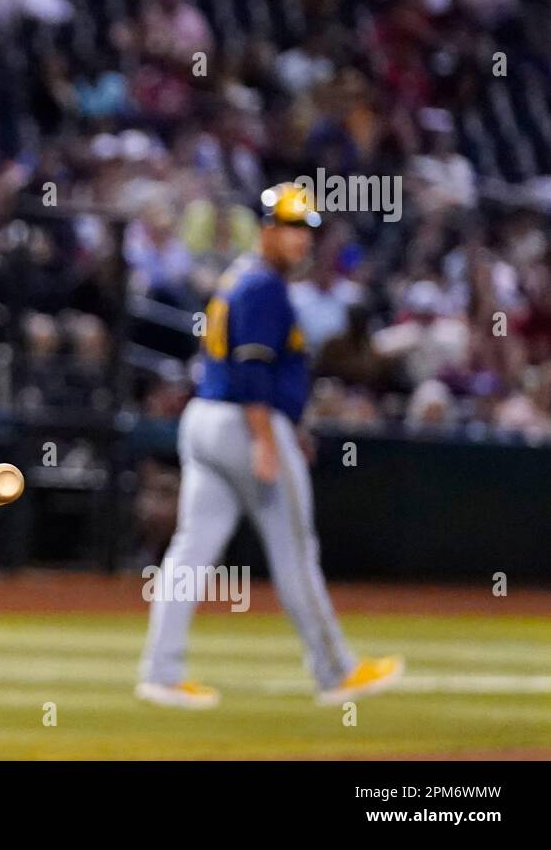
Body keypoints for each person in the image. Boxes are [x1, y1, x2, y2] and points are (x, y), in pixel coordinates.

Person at [135, 183, 404, 708]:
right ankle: (335, 671)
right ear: (266, 229)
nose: (301, 240)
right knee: (296, 553)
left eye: (306, 229)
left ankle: (161, 671)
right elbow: (253, 368)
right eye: (290, 228)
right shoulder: (263, 286)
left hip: (208, 418)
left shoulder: (241, 278)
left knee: (191, 550)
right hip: (243, 422)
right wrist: (266, 439)